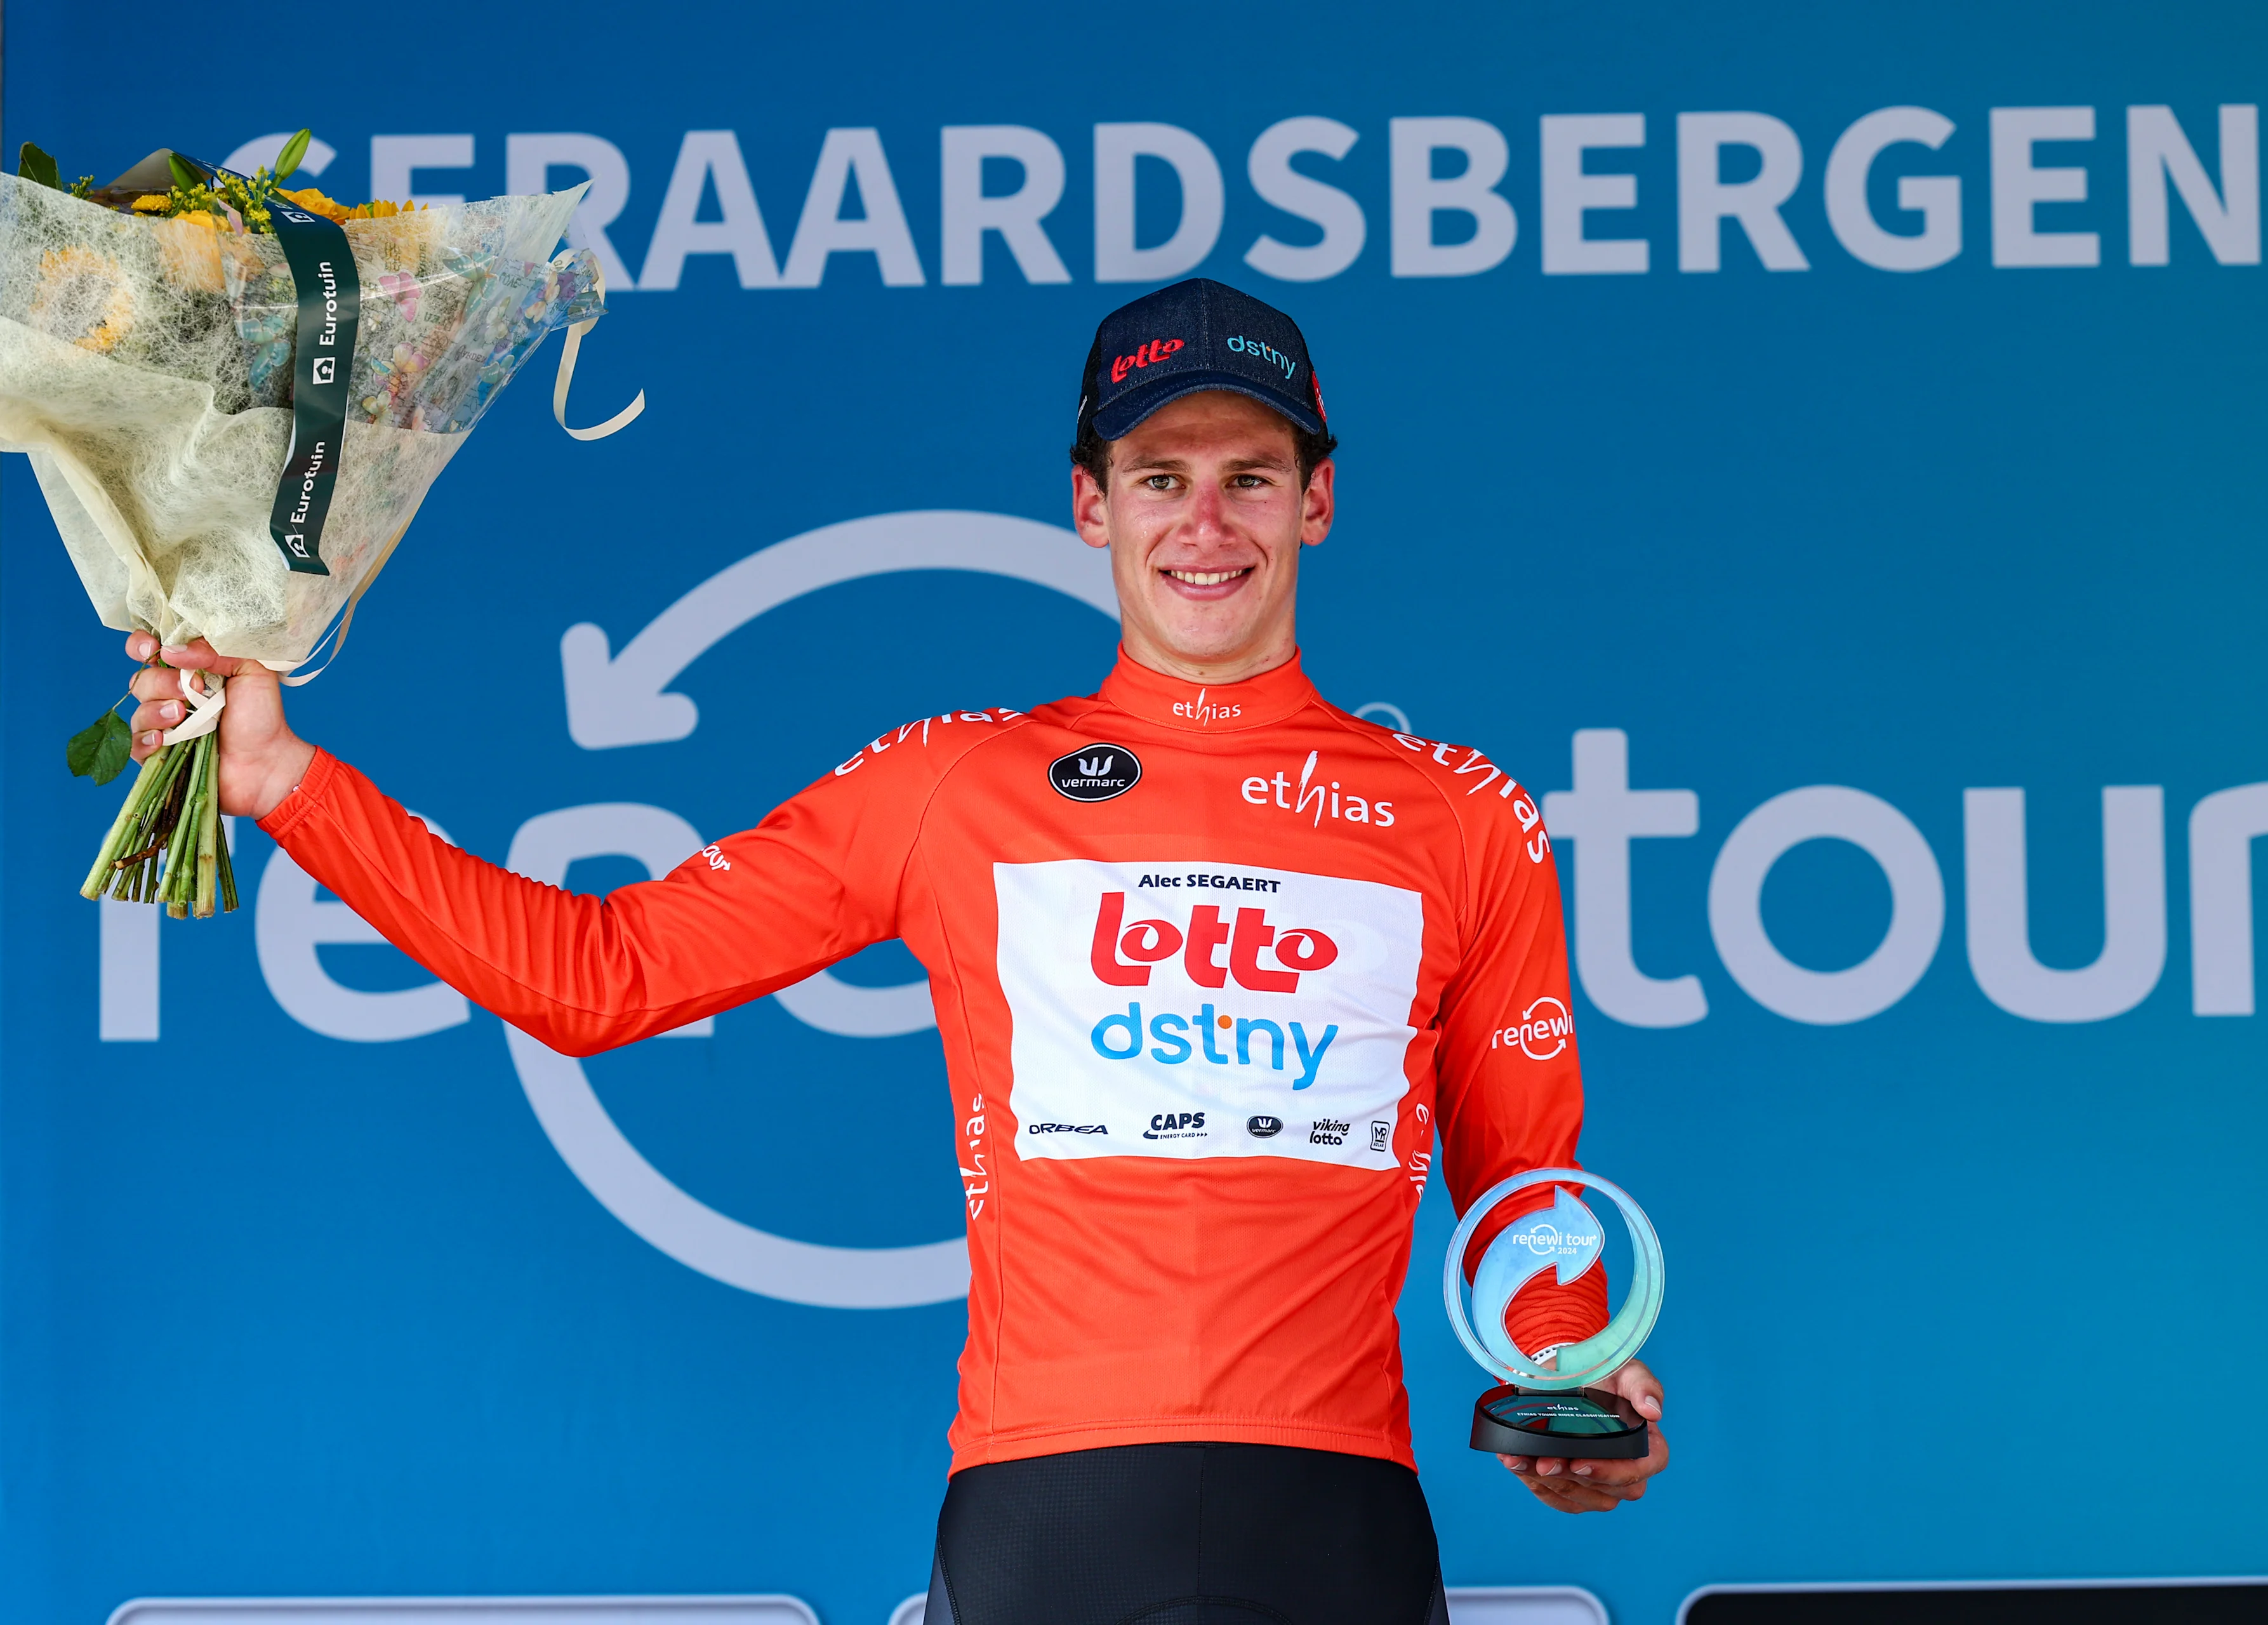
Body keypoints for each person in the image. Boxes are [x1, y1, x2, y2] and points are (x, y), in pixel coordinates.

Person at [121, 279, 1668, 1624]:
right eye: (1160, 477)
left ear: (1317, 502)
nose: (1205, 524)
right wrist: (281, 784)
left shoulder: (1464, 815)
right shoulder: (958, 784)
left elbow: (1527, 1193)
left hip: (1335, 1510)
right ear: (1089, 502)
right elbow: (597, 977)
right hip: (1043, 1517)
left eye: (1251, 479)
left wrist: (1577, 1380)